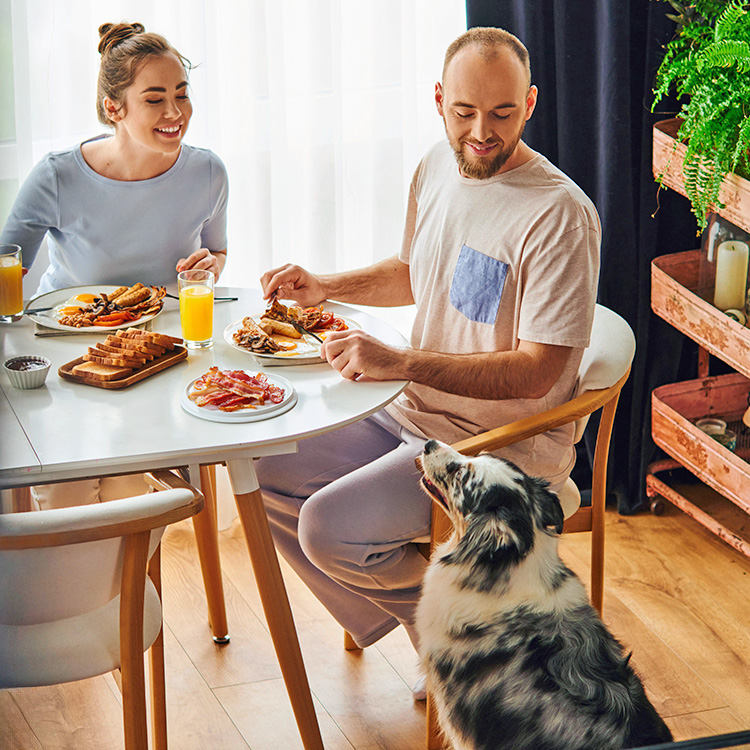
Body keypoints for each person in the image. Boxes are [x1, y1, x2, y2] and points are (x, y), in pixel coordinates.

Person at [256, 26, 600, 698]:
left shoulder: (560, 215)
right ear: (438, 100)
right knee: (259, 463)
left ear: (530, 104)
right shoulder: (437, 166)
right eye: (464, 112)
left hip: (501, 452)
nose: (481, 132)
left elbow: (535, 373)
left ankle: (479, 646)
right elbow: (417, 274)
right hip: (414, 420)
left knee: (329, 528)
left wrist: (402, 362)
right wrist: (329, 285)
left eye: (502, 113)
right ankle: (438, 643)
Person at [0, 22, 228, 508]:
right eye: (154, 99)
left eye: (182, 95)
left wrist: (210, 265)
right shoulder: (58, 175)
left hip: (160, 357)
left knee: (127, 484)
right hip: (70, 356)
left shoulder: (208, 172)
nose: (175, 113)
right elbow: (7, 266)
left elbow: (217, 255)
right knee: (68, 484)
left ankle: (123, 586)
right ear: (113, 108)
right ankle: (88, 584)